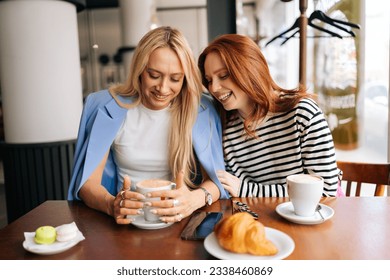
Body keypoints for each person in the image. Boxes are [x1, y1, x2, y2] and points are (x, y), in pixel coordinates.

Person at [68, 26, 229, 224]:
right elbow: (87, 183)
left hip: (180, 221)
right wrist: (111, 205)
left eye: (175, 79)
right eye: (154, 75)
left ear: (185, 79)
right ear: (139, 70)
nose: (163, 88)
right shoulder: (103, 106)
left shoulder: (202, 110)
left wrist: (193, 200)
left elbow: (217, 179)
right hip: (125, 222)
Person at [198, 34, 341, 197]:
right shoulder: (226, 129)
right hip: (259, 219)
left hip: (311, 218)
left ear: (250, 69)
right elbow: (231, 192)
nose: (214, 87)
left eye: (223, 75)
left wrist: (247, 190)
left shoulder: (302, 114)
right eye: (209, 80)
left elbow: (326, 190)